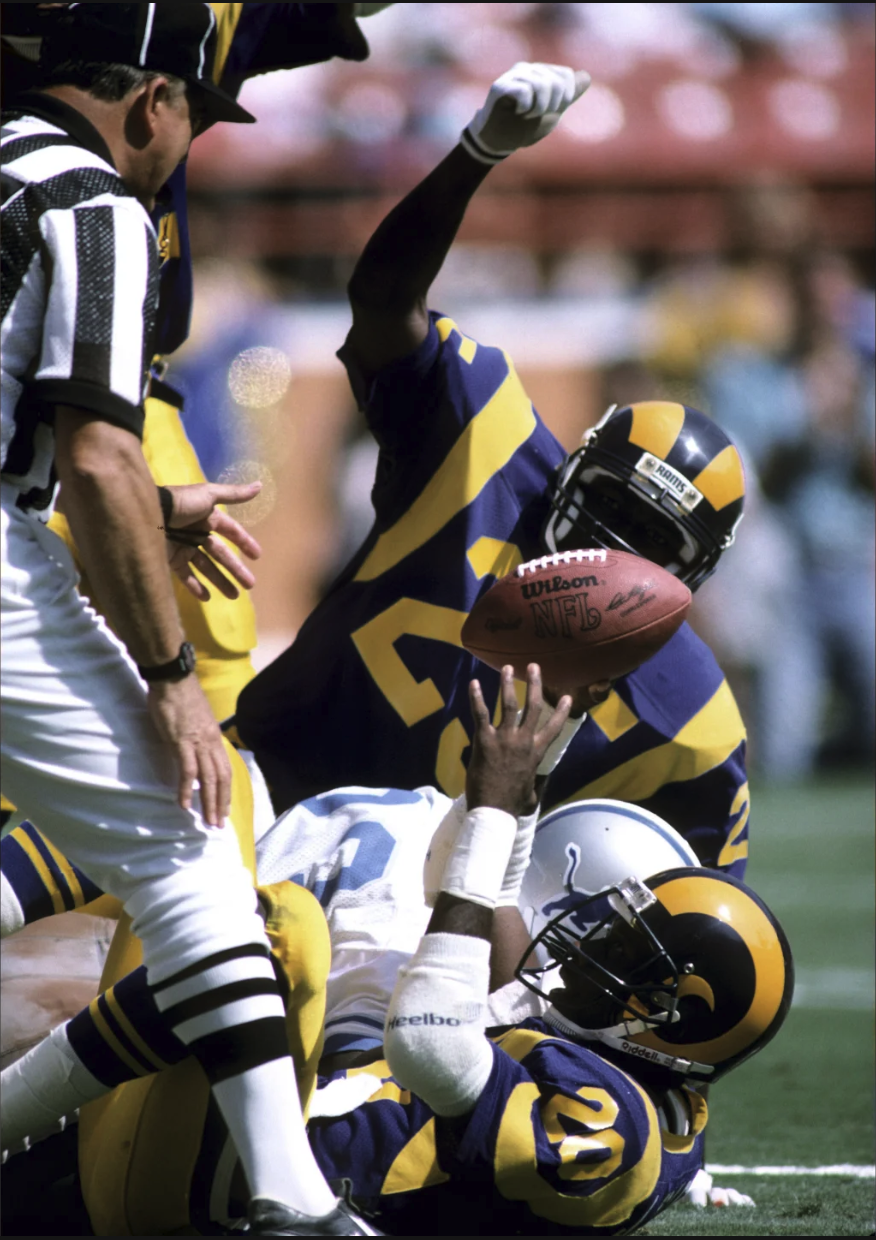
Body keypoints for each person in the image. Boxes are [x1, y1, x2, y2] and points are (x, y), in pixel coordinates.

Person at [0, 6, 378, 1234]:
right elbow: (97, 456)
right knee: (190, 844)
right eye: (195, 117)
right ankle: (294, 1195)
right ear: (151, 99)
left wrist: (156, 493)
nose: (186, 147)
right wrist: (171, 680)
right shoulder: (92, 201)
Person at [1, 666, 794, 1235]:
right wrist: (529, 776)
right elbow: (503, 991)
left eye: (616, 949)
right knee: (220, 784)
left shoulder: (611, 1122)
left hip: (204, 1196)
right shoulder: (655, 1088)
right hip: (213, 1153)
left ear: (662, 1012)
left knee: (270, 912)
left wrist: (488, 818)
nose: (584, 945)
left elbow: (430, 1045)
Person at [233, 61, 751, 881]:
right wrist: (475, 154)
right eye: (617, 505)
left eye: (655, 537)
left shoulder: (692, 720)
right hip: (258, 800)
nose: (619, 540)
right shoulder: (486, 442)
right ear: (572, 467)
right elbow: (381, 304)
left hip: (429, 910)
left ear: (700, 571)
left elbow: (702, 923)